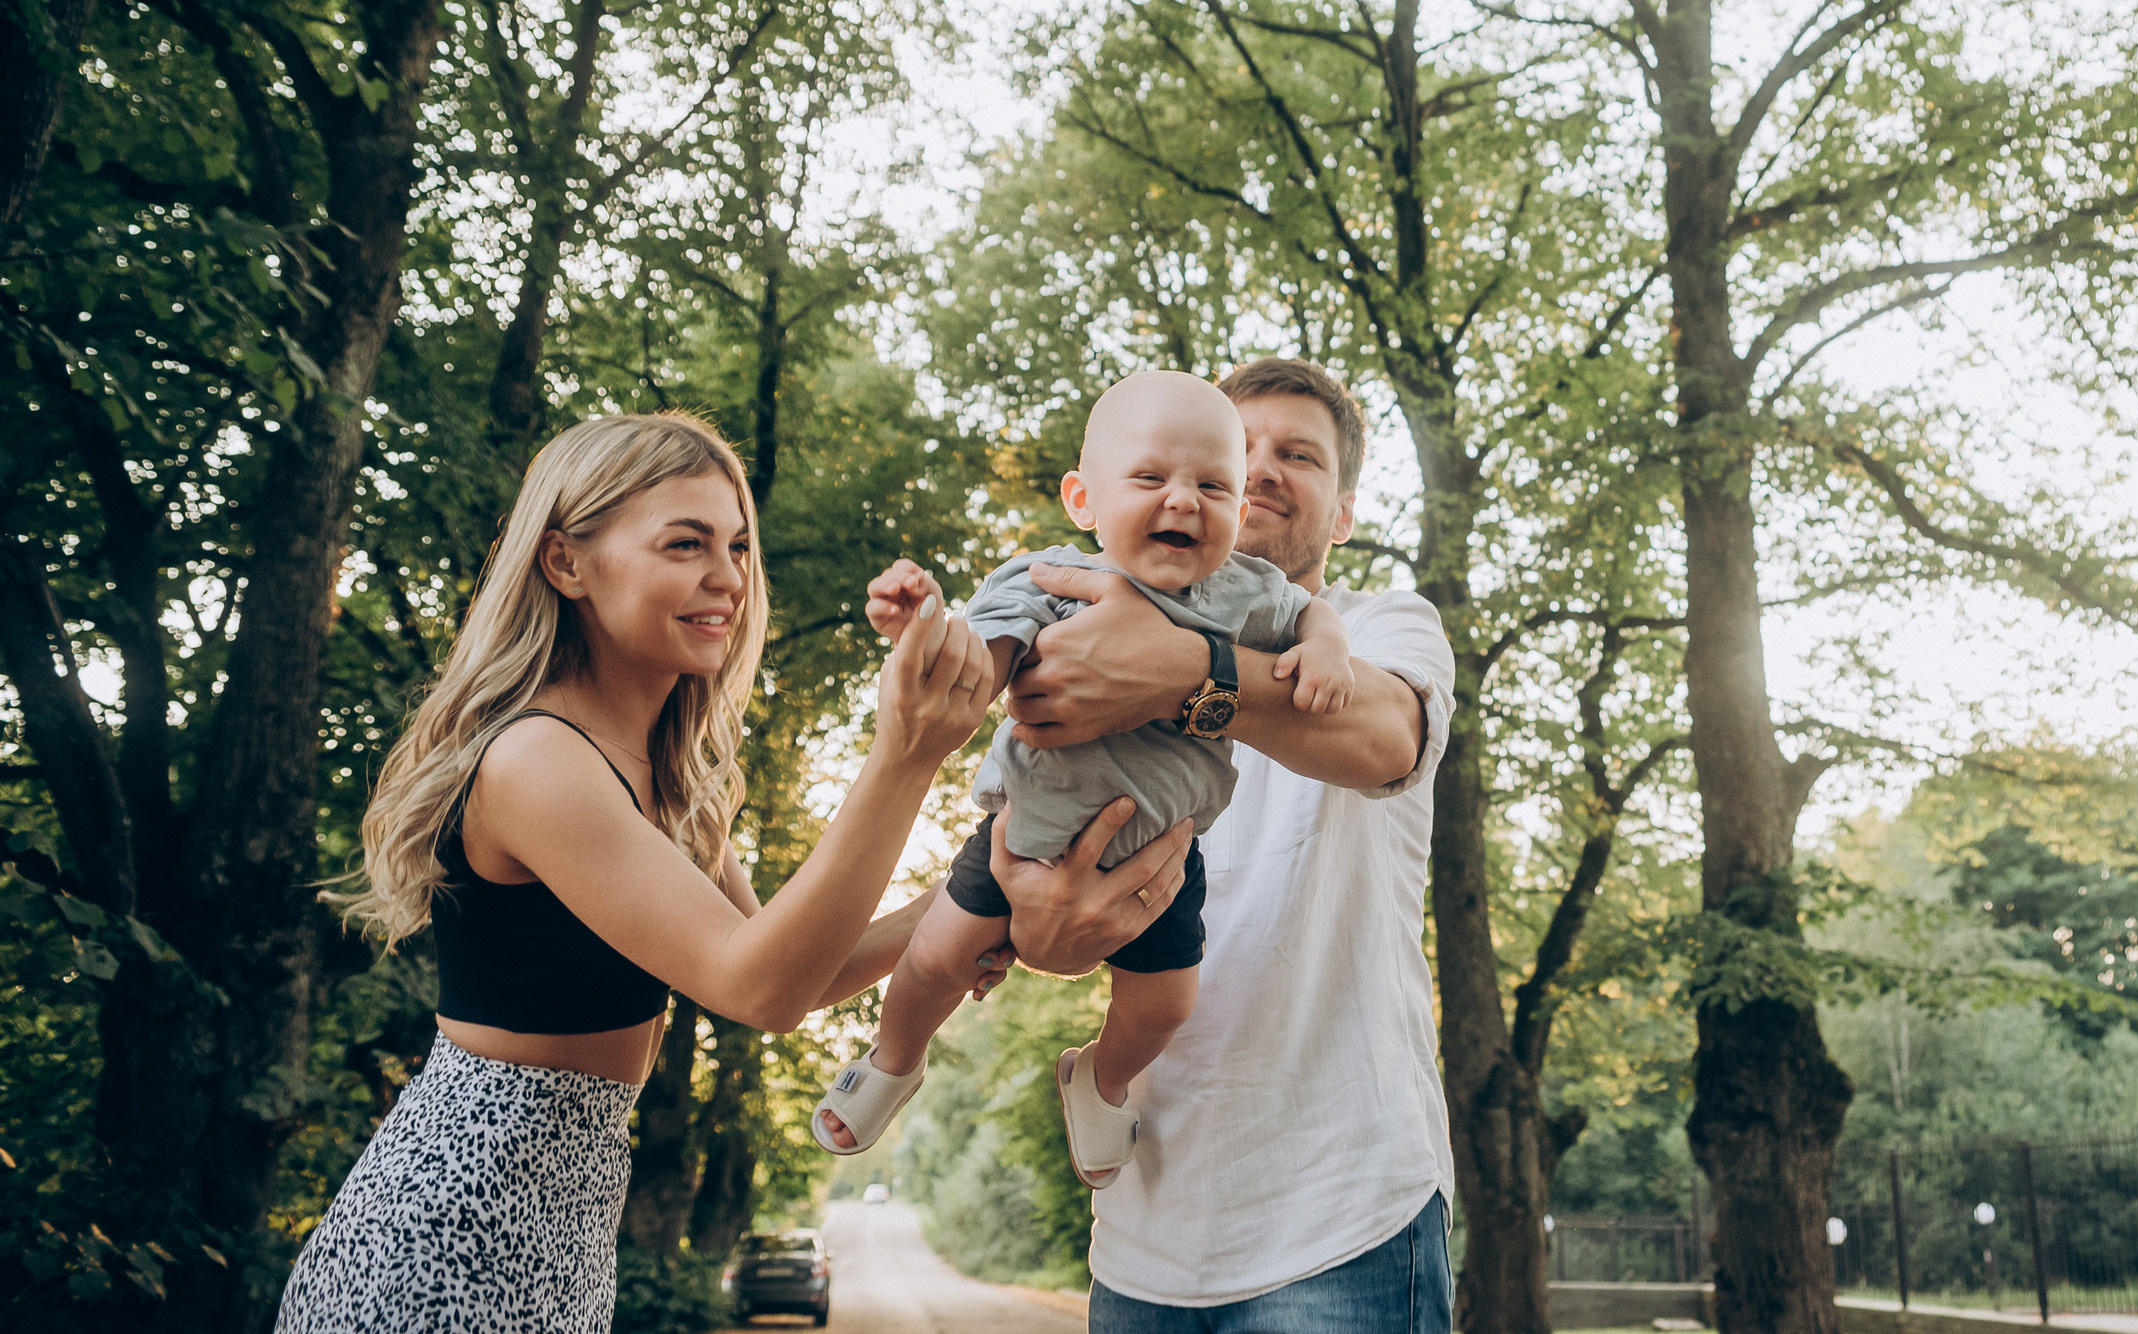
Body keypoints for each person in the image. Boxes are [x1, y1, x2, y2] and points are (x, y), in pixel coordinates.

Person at [275, 412, 1004, 1334]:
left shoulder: (667, 773)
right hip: (443, 1236)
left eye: (738, 547)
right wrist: (904, 756)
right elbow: (760, 989)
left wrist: (976, 889)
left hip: (561, 1224)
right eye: (686, 544)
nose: (728, 578)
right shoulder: (537, 759)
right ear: (565, 564)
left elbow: (798, 970)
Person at [911, 359, 1459, 1332]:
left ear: (1340, 514)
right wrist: (1033, 930)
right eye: (1240, 453)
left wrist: (1177, 670)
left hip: (1343, 1218)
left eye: (1300, 456)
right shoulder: (1090, 621)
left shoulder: (1380, 627)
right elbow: (1009, 870)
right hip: (1144, 1230)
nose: (1260, 472)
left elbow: (1385, 740)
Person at [810, 372, 1355, 1187]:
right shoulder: (1044, 579)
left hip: (1167, 859)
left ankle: (1100, 1080)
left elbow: (1310, 613)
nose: (1183, 500)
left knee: (1166, 1002)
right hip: (1019, 839)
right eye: (1149, 479)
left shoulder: (1246, 598)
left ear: (1236, 515)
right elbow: (974, 669)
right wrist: (923, 628)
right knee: (934, 962)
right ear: (1082, 499)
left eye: (1212, 485)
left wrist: (1329, 647)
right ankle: (895, 1059)